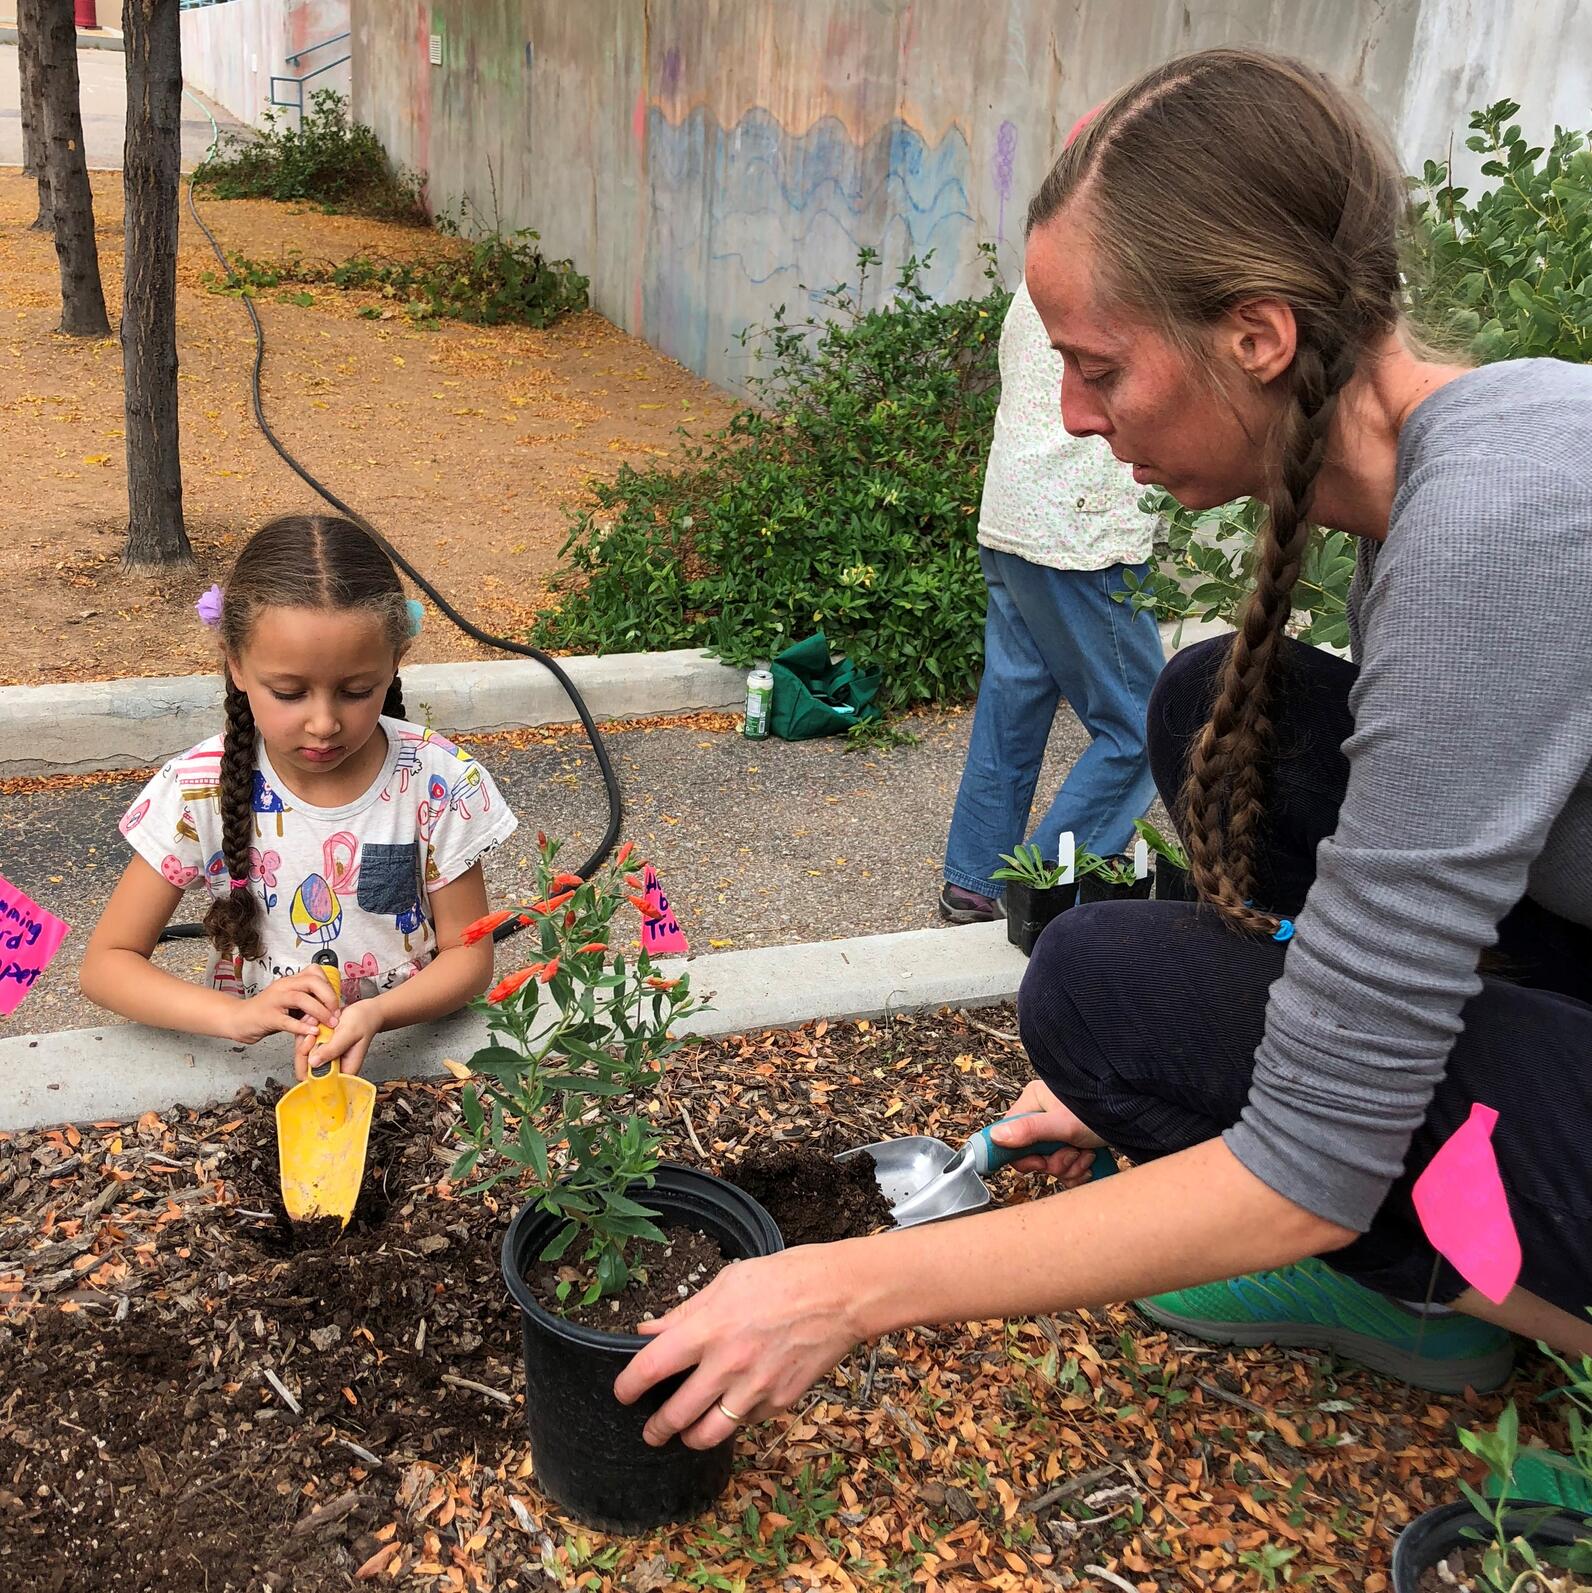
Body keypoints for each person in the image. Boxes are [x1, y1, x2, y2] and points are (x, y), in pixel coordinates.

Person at [613, 48, 1592, 1451]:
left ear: (1256, 336)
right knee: (1213, 709)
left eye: (1099, 368)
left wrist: (840, 1289)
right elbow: (1435, 887)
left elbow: (1313, 1162)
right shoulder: (1478, 450)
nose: (1075, 416)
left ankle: (1466, 1296)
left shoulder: (1493, 542)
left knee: (1102, 986)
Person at [80, 514, 519, 1079]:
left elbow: (468, 954)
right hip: (256, 1065)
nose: (323, 723)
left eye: (357, 691)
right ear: (235, 664)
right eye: (288, 692)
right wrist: (236, 1016)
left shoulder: (439, 782)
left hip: (410, 1056)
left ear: (395, 664)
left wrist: (378, 1013)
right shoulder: (197, 788)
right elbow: (106, 965)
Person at [940, 277, 1164, 924]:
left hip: (1013, 516)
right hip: (1078, 529)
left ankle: (973, 880)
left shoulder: (1042, 271)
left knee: (1012, 705)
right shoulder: (1135, 270)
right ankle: (1039, 887)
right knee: (1146, 723)